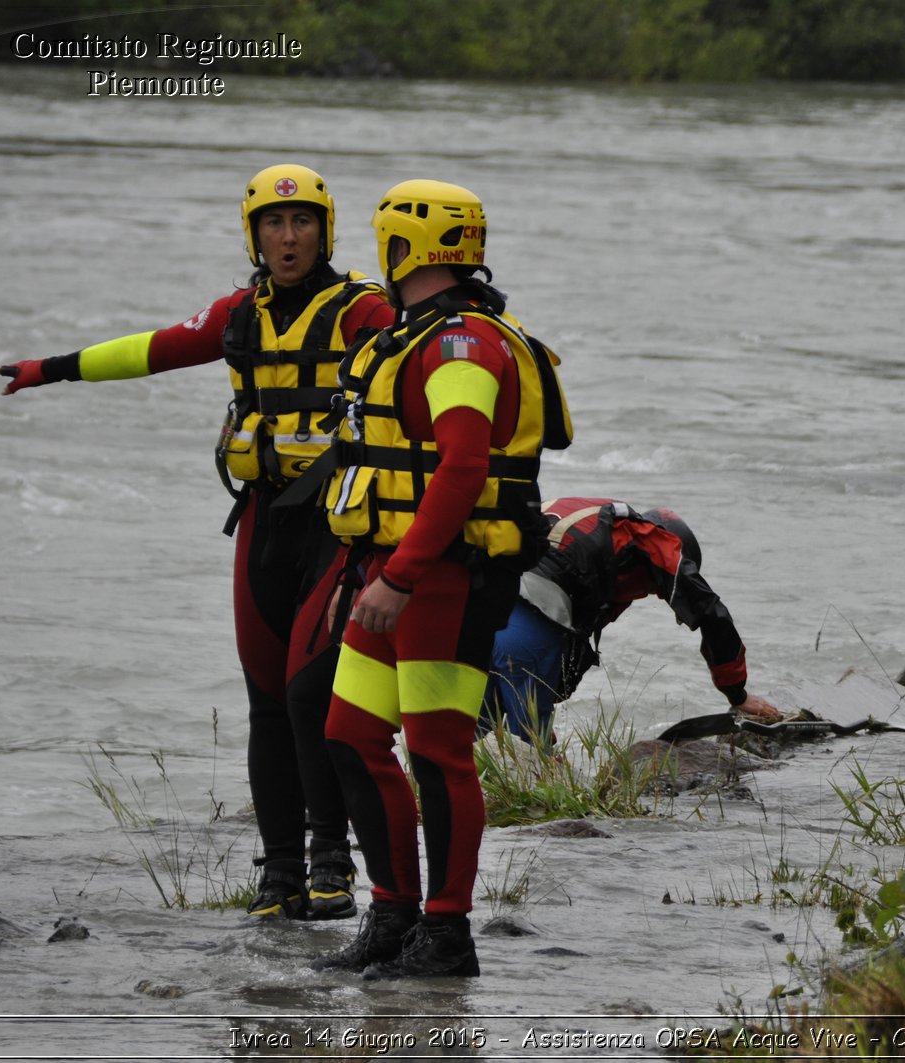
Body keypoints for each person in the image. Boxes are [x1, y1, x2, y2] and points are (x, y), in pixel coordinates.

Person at [0, 165, 394, 923]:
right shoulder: (240, 314)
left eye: (303, 222)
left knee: (313, 698)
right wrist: (51, 370)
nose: (288, 236)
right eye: (274, 225)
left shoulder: (362, 311)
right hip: (264, 522)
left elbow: (422, 359)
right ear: (254, 233)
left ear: (325, 230)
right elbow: (156, 348)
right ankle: (278, 875)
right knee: (267, 704)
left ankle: (331, 862)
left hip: (337, 526)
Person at [307, 179, 572, 980]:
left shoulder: (463, 345)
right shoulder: (415, 334)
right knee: (350, 734)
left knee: (437, 749)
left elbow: (461, 468)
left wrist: (402, 573)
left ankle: (447, 933)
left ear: (402, 249)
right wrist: (376, 572)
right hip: (390, 568)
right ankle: (392, 915)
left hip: (444, 575)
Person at [479, 497, 780, 743]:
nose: (653, 596)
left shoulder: (594, 522)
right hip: (524, 621)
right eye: (655, 590)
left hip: (471, 598)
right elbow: (713, 614)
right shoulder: (654, 540)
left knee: (459, 730)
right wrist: (737, 694)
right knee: (534, 747)